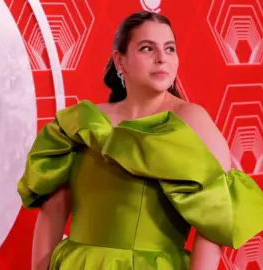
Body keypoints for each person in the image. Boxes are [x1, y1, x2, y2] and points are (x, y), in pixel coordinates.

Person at [17, 11, 263, 270]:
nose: (161, 59)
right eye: (148, 48)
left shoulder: (192, 121)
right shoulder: (81, 122)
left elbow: (215, 224)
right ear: (119, 60)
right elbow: (53, 212)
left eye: (170, 49)